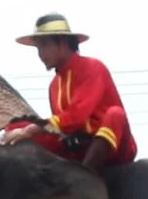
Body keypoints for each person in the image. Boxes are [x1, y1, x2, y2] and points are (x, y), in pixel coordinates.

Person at [10, 15, 136, 170]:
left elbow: (77, 116)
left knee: (115, 114)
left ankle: (85, 176)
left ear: (62, 43)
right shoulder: (54, 86)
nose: (40, 54)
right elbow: (60, 128)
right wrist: (25, 130)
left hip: (111, 146)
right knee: (16, 127)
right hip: (77, 148)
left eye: (44, 46)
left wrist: (35, 128)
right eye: (38, 48)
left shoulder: (92, 67)